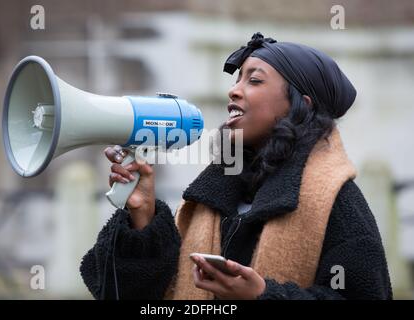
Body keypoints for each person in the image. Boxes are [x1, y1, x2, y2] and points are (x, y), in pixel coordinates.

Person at [79, 33, 392, 300]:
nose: (234, 90)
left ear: (300, 106)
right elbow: (127, 291)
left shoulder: (337, 200)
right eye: (237, 79)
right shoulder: (211, 197)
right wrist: (143, 217)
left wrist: (263, 295)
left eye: (254, 80)